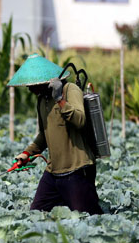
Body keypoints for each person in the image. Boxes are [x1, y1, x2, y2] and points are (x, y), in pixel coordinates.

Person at [7, 54, 103, 215]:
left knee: (89, 218)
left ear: (46, 81)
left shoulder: (70, 90)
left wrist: (60, 100)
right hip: (53, 173)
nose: (30, 89)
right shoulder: (42, 100)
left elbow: (80, 120)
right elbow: (44, 135)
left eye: (33, 84)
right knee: (36, 214)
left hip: (77, 170)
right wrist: (26, 153)